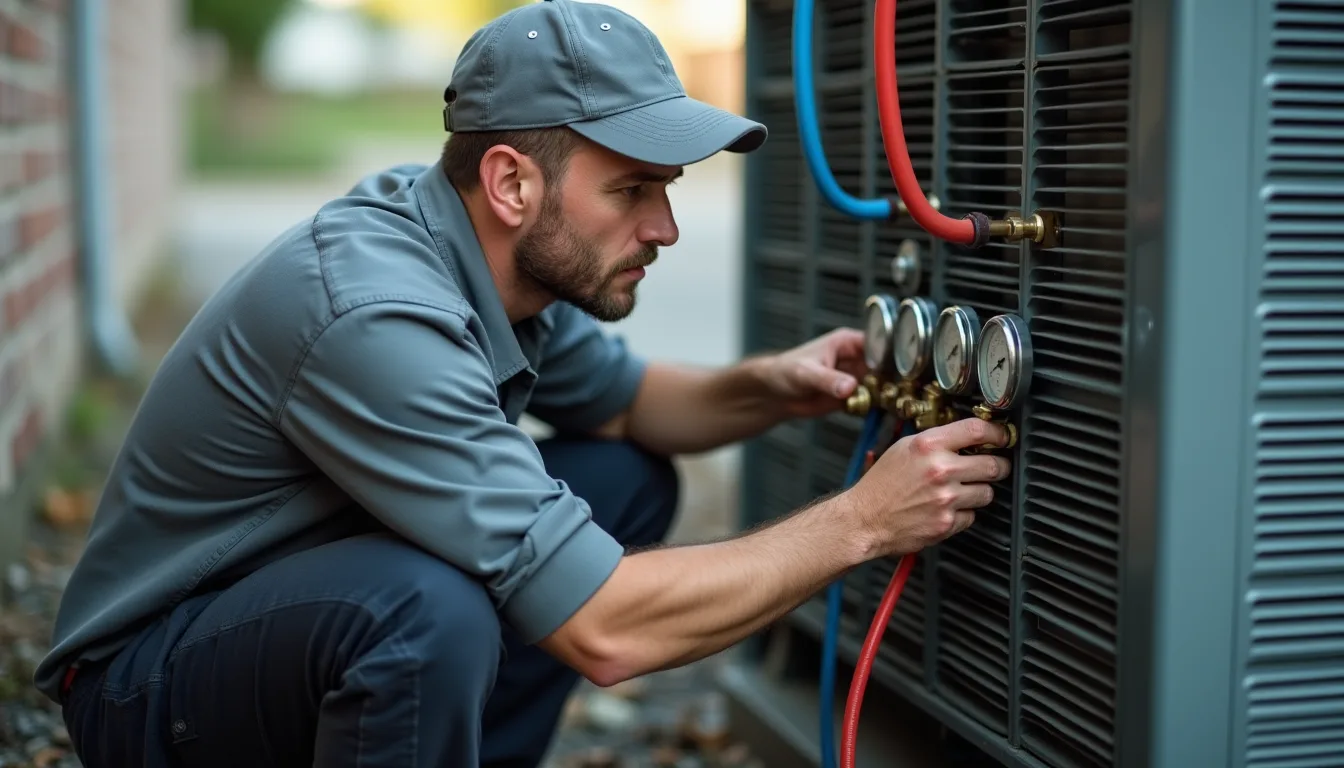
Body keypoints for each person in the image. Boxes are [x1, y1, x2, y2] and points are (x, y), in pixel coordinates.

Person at [36, 1, 1010, 766]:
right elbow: (607, 631)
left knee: (630, 477)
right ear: (511, 183)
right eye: (633, 190)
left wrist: (767, 385)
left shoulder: (490, 257)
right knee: (421, 613)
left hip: (288, 617)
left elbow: (631, 405)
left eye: (668, 192)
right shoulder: (377, 315)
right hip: (146, 686)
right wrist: (863, 522)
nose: (665, 228)